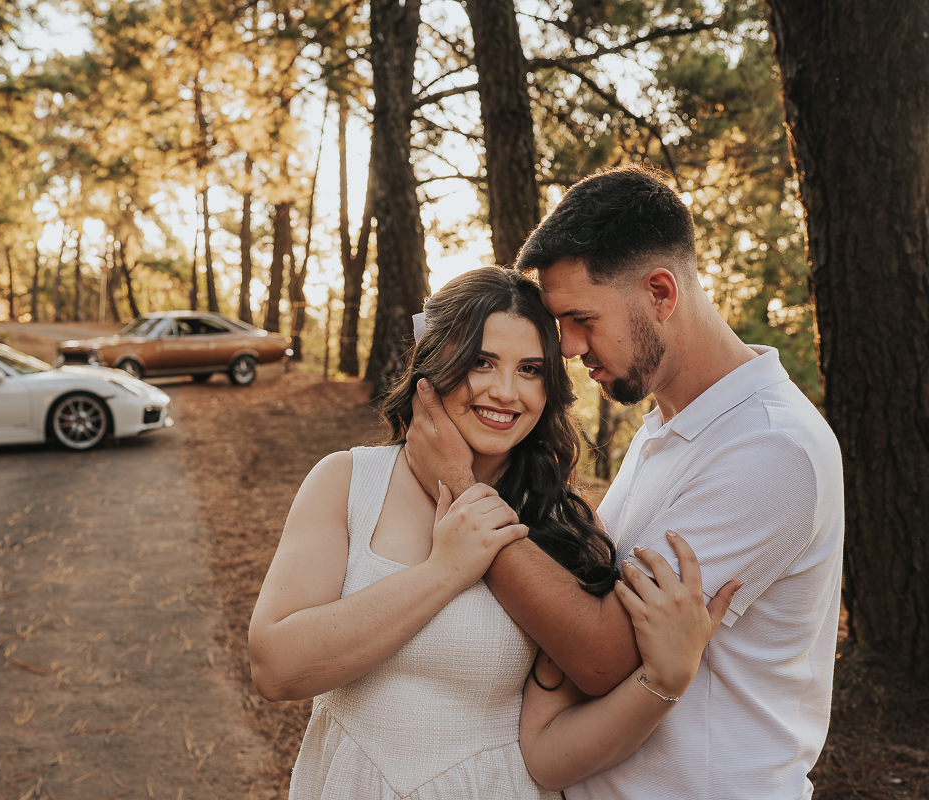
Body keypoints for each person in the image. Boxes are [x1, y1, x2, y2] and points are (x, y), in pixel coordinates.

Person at [407, 166, 844, 799]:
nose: (567, 347)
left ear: (661, 293)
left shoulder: (770, 449)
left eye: (581, 318)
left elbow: (603, 653)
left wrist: (460, 487)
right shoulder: (672, 422)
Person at [249, 267, 737, 799]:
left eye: (530, 369)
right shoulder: (347, 481)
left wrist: (662, 682)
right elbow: (275, 668)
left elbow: (548, 758)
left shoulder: (564, 526)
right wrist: (444, 572)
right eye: (481, 362)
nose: (505, 393)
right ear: (434, 362)